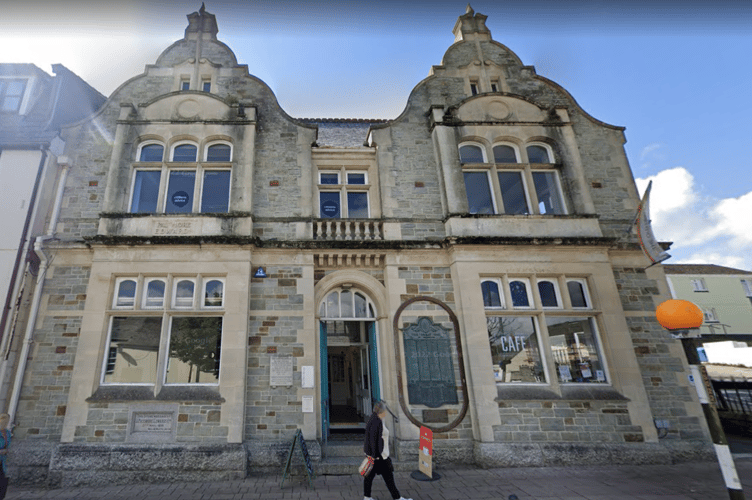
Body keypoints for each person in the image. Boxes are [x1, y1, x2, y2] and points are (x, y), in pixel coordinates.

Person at [363, 402, 412, 500]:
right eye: (385, 411)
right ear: (381, 411)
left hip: (377, 455)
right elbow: (372, 439)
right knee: (388, 477)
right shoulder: (375, 421)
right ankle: (397, 498)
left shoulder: (376, 419)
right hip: (379, 456)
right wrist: (374, 455)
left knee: (370, 476)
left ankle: (367, 497)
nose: (386, 413)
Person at [0, 413, 10, 500]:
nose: (5, 421)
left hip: (3, 461)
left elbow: (8, 445)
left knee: (2, 481)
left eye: (7, 419)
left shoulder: (7, 433)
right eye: (3, 418)